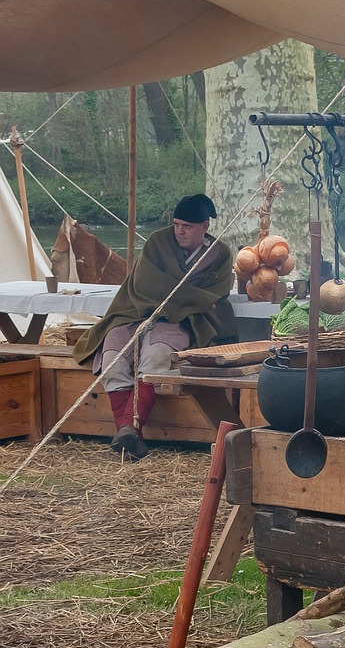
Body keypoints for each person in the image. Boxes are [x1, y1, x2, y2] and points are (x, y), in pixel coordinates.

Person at [73, 193, 237, 460]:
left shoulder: (220, 253)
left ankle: (128, 431)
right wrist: (193, 297)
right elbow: (148, 286)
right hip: (132, 313)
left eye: (188, 226)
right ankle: (130, 434)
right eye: (177, 224)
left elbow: (215, 294)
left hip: (180, 321)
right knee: (112, 359)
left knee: (157, 356)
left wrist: (186, 300)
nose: (180, 231)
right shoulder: (157, 242)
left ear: (205, 226)